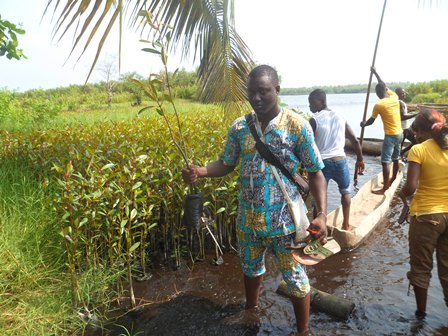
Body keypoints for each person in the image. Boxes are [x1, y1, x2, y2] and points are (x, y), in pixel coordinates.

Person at [182, 64, 327, 336]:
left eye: (264, 92)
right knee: (250, 269)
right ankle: (252, 311)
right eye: (252, 93)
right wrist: (200, 171)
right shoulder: (240, 127)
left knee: (296, 279)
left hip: (285, 224)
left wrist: (322, 214)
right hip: (248, 222)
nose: (257, 98)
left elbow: (317, 172)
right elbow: (226, 163)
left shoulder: (297, 126)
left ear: (277, 90)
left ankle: (303, 331)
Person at [397, 108, 448, 318]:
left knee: (421, 267)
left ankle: (420, 316)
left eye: (416, 132)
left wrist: (402, 198)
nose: (415, 135)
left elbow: (410, 187)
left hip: (427, 216)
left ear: (421, 131)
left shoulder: (419, 150)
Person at [308, 89, 365, 231]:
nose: (309, 107)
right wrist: (360, 159)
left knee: (318, 197)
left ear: (320, 101)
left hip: (323, 163)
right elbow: (355, 141)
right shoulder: (340, 116)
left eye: (311, 103)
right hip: (341, 161)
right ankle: (346, 224)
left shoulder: (315, 120)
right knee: (345, 192)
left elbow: (306, 144)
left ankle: (317, 231)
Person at [360, 67, 403, 195]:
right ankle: (393, 179)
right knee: (396, 159)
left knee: (385, 161)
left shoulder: (379, 105)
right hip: (400, 134)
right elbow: (383, 83)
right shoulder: (394, 97)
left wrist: (363, 124)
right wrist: (376, 73)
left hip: (390, 136)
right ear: (386, 90)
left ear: (377, 94)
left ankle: (385, 188)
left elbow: (371, 121)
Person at [395, 87, 417, 159]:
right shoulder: (399, 103)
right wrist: (415, 114)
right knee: (399, 148)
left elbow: (404, 114)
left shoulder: (401, 103)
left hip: (406, 128)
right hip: (402, 129)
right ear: (397, 94)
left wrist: (411, 113)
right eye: (402, 93)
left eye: (404, 93)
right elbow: (403, 117)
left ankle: (402, 153)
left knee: (416, 141)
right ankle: (398, 161)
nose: (404, 94)